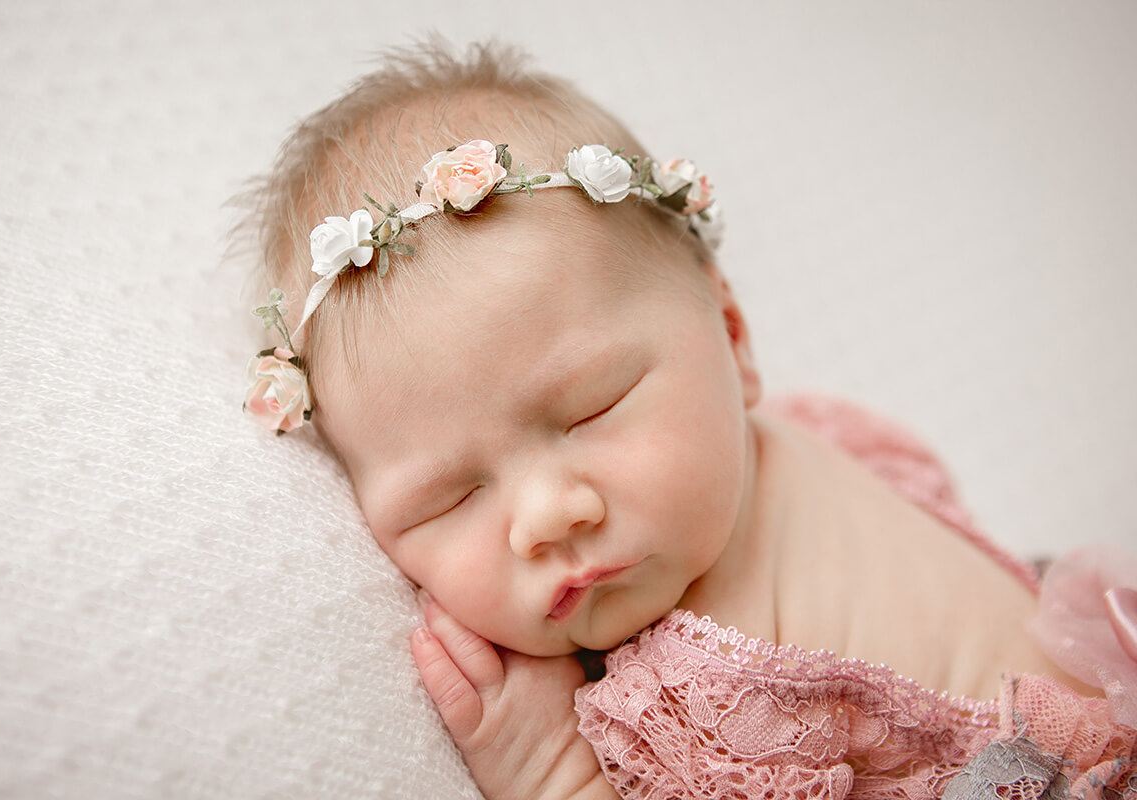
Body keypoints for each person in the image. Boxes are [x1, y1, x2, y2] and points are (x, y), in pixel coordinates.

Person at [239, 41, 1137, 800]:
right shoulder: (797, 442)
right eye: (451, 497)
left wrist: (554, 771)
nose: (549, 514)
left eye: (593, 408)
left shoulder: (709, 692)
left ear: (734, 341)